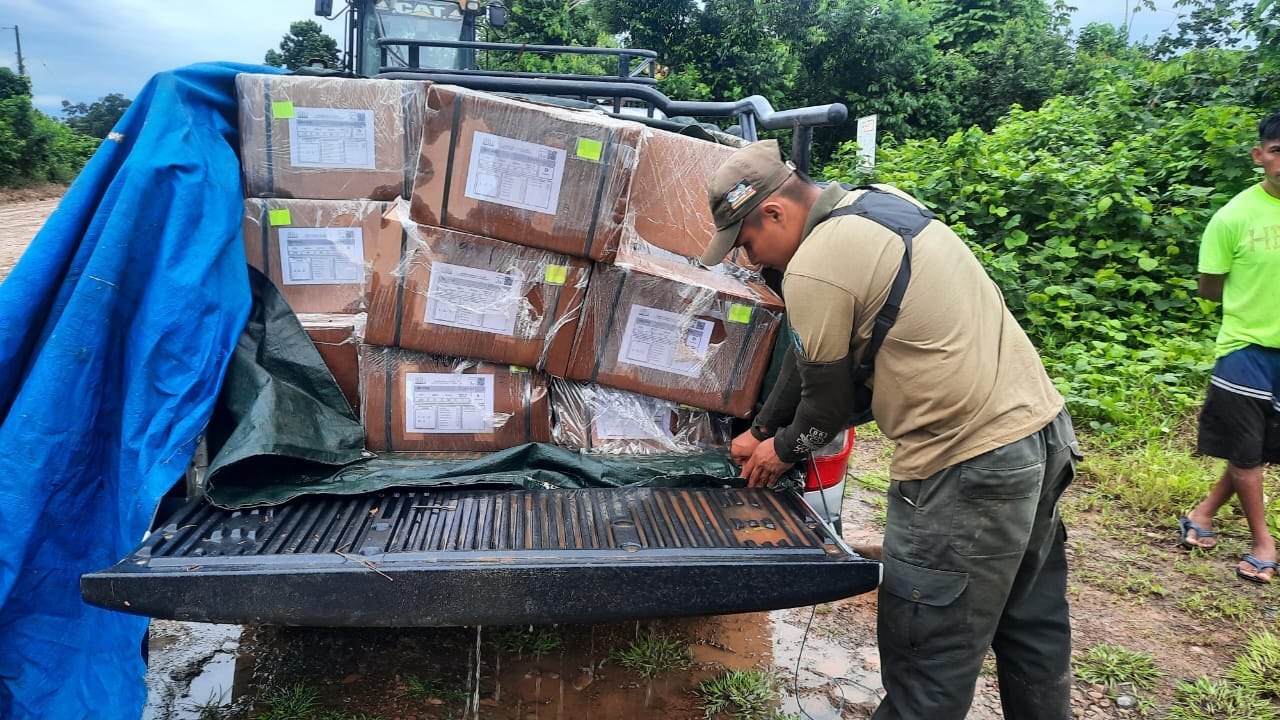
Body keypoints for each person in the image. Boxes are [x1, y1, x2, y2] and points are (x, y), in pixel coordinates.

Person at [700, 139, 1079, 720]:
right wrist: (766, 425)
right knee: (1032, 628)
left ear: (774, 212)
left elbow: (825, 413)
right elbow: (809, 367)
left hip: (965, 468)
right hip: (1042, 435)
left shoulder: (815, 268)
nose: (750, 261)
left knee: (927, 658)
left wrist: (776, 450)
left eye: (747, 243)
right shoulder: (880, 202)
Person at [1176, 111, 1280, 585]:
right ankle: (1263, 543)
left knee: (1253, 450)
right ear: (1260, 155)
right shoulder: (1233, 217)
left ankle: (1201, 515)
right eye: (1278, 151)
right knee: (1246, 454)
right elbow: (1210, 287)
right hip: (1245, 349)